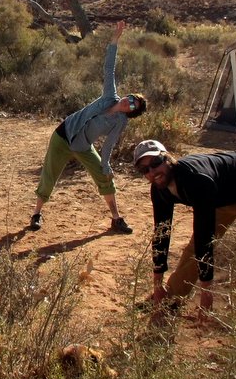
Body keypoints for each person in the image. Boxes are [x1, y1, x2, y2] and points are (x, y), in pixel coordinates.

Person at [133, 140, 236, 314]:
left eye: (155, 163)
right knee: (194, 250)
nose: (152, 172)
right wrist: (157, 286)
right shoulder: (159, 188)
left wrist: (206, 294)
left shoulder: (196, 180)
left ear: (167, 158)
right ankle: (171, 297)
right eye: (144, 170)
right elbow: (161, 233)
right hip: (219, 195)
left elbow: (206, 238)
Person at [29, 20, 147, 234]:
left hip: (83, 145)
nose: (127, 101)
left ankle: (116, 218)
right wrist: (114, 41)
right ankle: (36, 214)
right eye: (130, 97)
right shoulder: (110, 96)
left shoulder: (120, 122)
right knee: (50, 175)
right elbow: (109, 68)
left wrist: (106, 165)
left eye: (132, 105)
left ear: (132, 112)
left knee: (104, 177)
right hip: (64, 136)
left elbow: (108, 145)